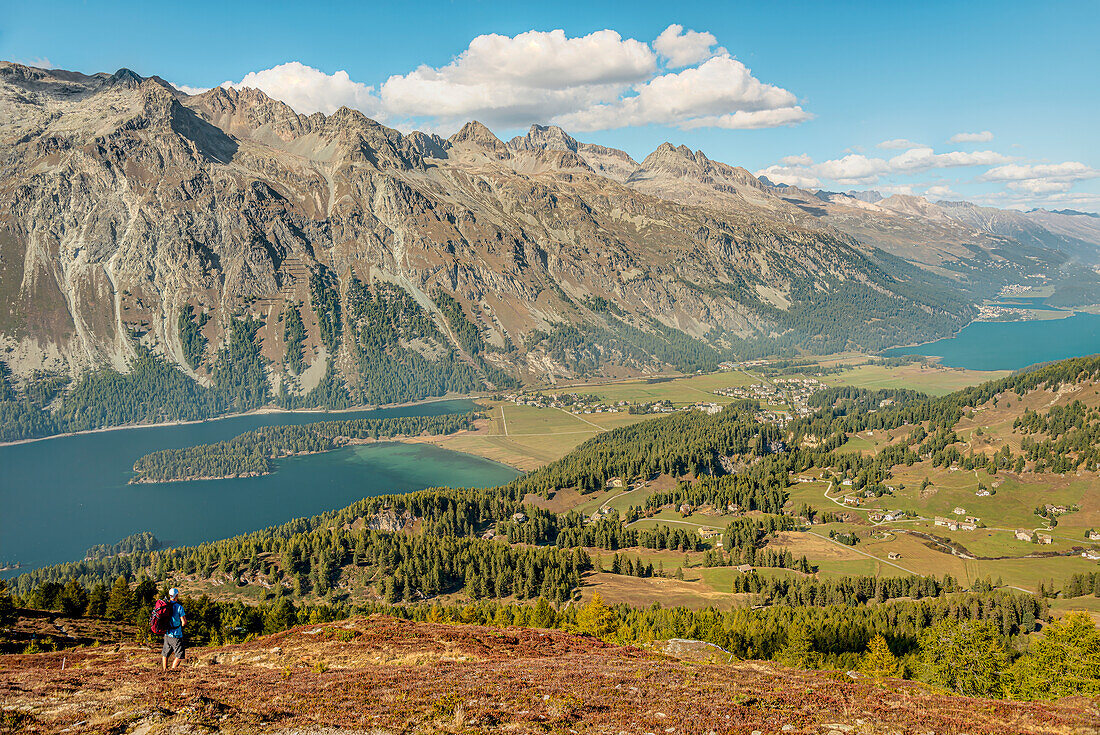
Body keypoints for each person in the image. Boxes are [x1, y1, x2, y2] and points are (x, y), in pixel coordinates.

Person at [161, 588, 186, 670]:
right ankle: (172, 670)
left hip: (167, 634)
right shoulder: (179, 607)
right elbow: (184, 622)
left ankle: (164, 670)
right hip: (176, 635)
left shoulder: (165, 605)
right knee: (180, 655)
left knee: (165, 653)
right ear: (177, 596)